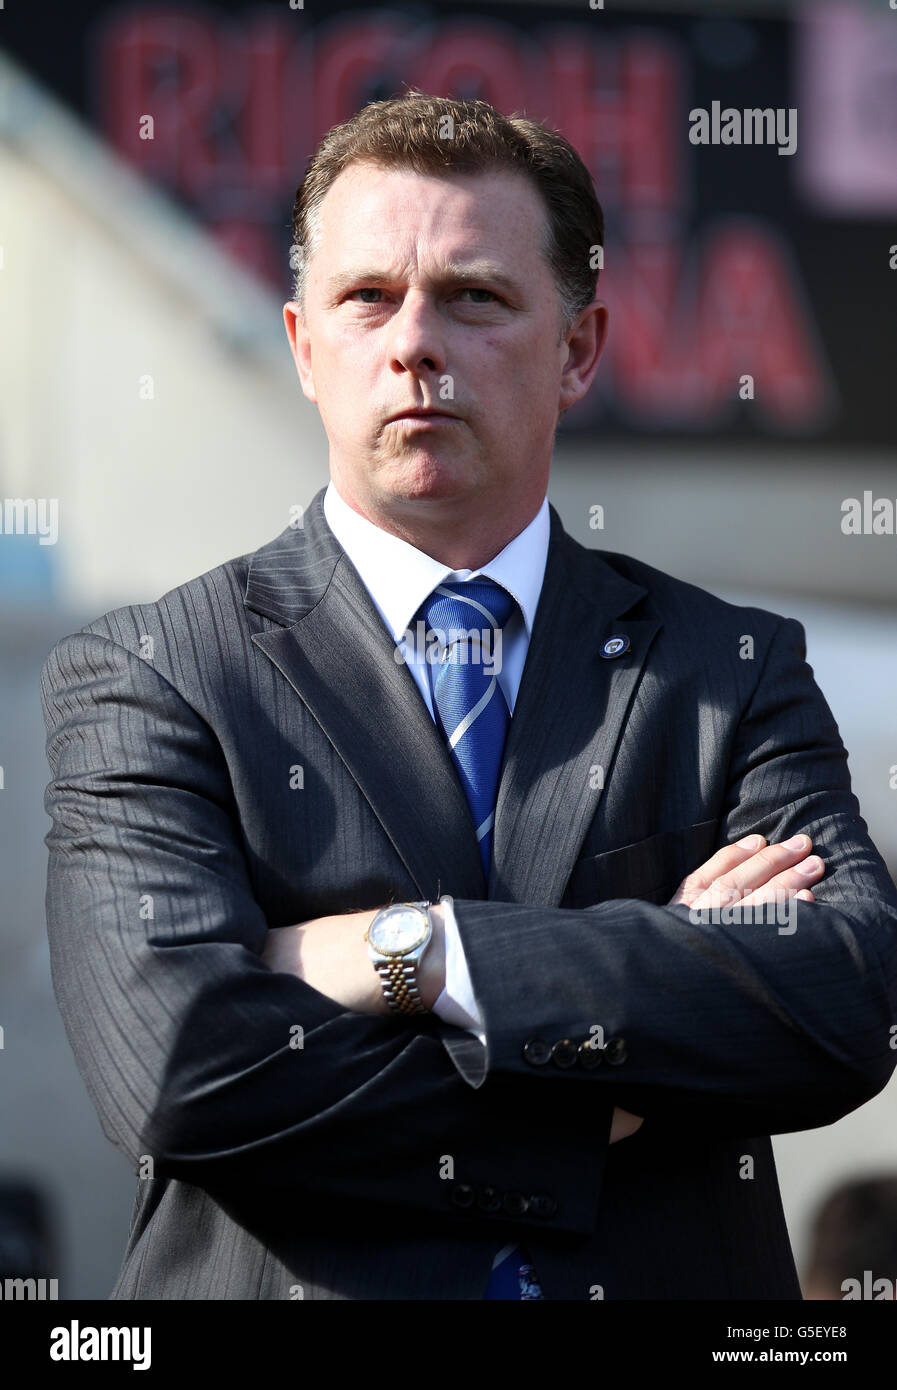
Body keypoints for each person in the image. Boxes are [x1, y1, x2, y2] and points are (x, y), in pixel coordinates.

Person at [40, 89, 897, 1300]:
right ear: (300, 345)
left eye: (476, 297)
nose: (413, 342)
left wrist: (418, 951)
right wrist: (607, 1086)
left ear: (580, 348)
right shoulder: (152, 674)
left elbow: (841, 1000)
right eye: (366, 297)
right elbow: (187, 1072)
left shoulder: (730, 668)